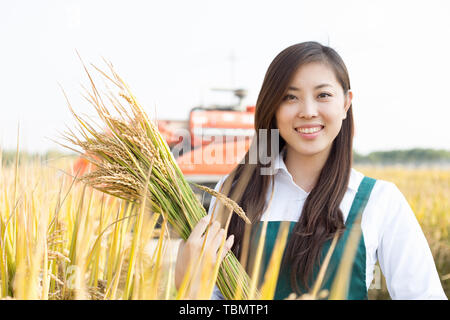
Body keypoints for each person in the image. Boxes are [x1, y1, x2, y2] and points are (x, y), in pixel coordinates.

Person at [174, 41, 447, 300]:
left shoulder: (380, 200)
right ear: (273, 108)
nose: (307, 111)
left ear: (346, 103)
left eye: (323, 95)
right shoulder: (232, 191)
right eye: (290, 97)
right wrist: (189, 289)